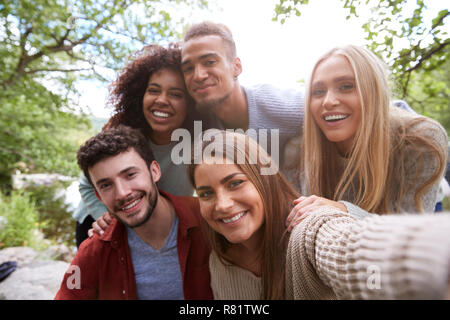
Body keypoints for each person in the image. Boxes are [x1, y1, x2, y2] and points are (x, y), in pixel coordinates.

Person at [188, 130, 450, 299]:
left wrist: (429, 255)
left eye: (235, 183)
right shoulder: (218, 261)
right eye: (206, 193)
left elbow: (350, 252)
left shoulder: (306, 226)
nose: (222, 204)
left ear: (264, 181)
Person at [284, 45, 448, 214]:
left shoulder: (422, 139)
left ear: (374, 91)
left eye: (346, 86)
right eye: (318, 91)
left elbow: (410, 231)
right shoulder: (298, 150)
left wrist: (343, 210)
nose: (328, 101)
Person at [73, 43, 208, 247]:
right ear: (140, 95)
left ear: (191, 104)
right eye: (154, 90)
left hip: (157, 228)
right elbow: (86, 184)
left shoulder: (199, 144)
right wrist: (108, 218)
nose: (162, 100)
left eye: (176, 94)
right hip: (101, 223)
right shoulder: (123, 135)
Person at [55, 126, 212, 299]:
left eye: (130, 174)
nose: (122, 193)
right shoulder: (94, 251)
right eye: (106, 185)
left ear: (154, 172)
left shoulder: (208, 218)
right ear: (98, 196)